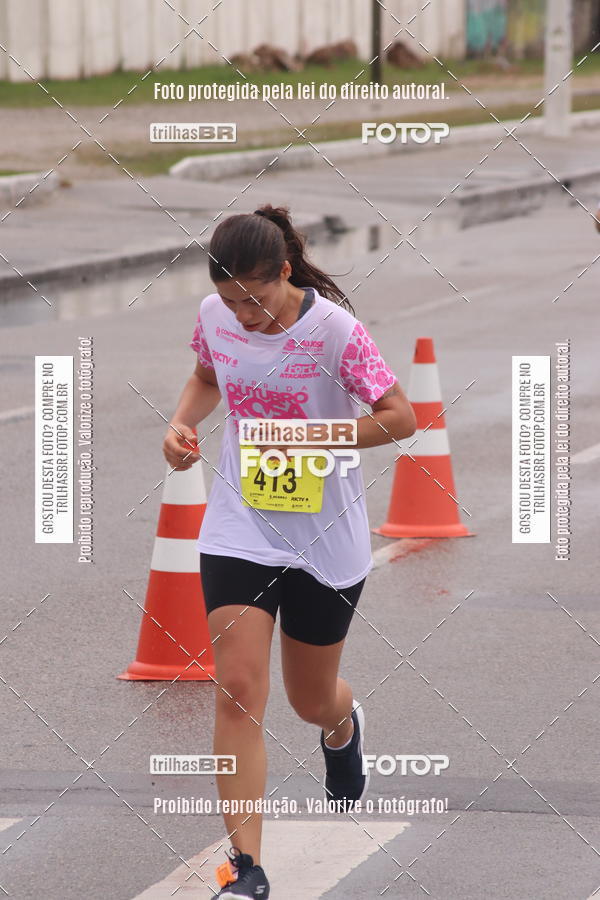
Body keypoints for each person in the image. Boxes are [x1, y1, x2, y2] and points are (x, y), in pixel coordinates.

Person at [163, 204, 417, 899]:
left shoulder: (334, 331)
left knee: (310, 699)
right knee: (239, 688)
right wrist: (181, 429)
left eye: (257, 297)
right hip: (240, 527)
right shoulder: (216, 319)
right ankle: (245, 867)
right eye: (230, 300)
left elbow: (401, 416)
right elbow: (208, 379)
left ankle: (342, 725)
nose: (244, 314)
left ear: (283, 271)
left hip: (325, 536)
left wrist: (315, 439)